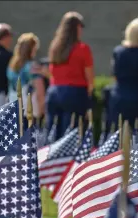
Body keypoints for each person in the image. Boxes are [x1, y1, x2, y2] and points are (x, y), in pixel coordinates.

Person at [46, 11, 94, 141]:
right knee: (71, 136)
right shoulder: (83, 49)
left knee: (53, 134)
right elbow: (89, 78)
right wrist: (89, 96)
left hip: (54, 92)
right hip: (75, 93)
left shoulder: (55, 48)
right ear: (77, 28)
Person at [7, 33, 45, 120]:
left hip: (13, 108)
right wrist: (41, 110)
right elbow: (40, 91)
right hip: (29, 110)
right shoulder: (32, 67)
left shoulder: (11, 66)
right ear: (32, 49)